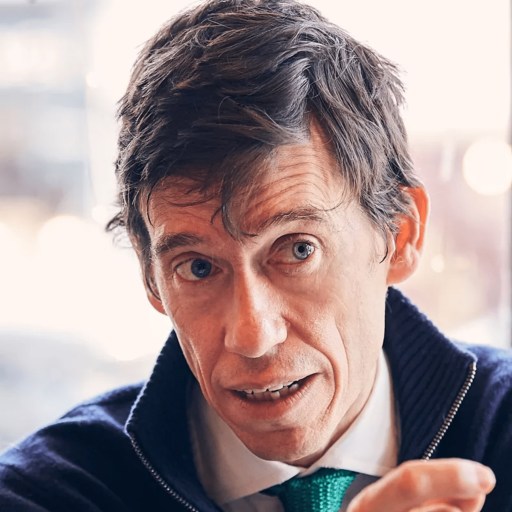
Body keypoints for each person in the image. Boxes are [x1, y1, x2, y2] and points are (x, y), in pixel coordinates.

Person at [0, 0, 510, 510]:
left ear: (400, 234)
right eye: (198, 267)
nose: (253, 336)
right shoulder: (43, 496)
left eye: (297, 250)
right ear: (152, 278)